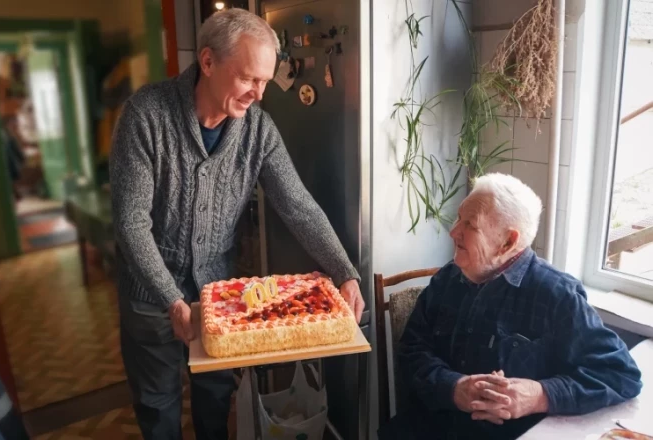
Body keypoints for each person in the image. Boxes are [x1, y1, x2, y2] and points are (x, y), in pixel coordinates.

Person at [109, 7, 364, 440]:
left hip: (219, 299)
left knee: (214, 402)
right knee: (158, 410)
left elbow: (299, 206)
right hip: (151, 299)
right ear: (207, 62)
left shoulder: (258, 130)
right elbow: (132, 223)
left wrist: (344, 271)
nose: (258, 94)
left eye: (265, 81)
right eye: (248, 78)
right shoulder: (145, 116)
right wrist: (172, 298)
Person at [378, 173, 642, 439]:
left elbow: (620, 374)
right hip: (429, 428)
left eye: (470, 224)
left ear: (508, 242)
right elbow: (411, 349)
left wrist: (541, 395)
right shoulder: (448, 279)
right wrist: (453, 388)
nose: (453, 231)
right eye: (459, 217)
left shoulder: (556, 295)